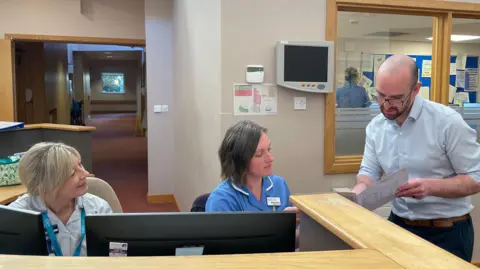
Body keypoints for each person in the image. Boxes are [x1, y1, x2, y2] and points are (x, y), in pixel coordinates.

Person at [352, 54, 480, 262]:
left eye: (395, 98)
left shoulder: (447, 123)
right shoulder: (376, 127)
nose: (386, 105)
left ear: (416, 89)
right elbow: (368, 172)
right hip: (399, 225)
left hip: (447, 231)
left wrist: (430, 187)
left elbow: (476, 178)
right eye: (381, 96)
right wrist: (360, 191)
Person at [9, 142, 112, 256]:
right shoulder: (15, 216)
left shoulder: (98, 208)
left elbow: (115, 259)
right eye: (72, 173)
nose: (85, 173)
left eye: (80, 165)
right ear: (46, 184)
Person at [206, 120, 298, 222]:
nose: (271, 158)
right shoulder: (222, 200)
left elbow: (292, 235)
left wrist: (296, 226)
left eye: (269, 149)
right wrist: (278, 225)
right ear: (240, 159)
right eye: (259, 154)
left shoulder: (279, 184)